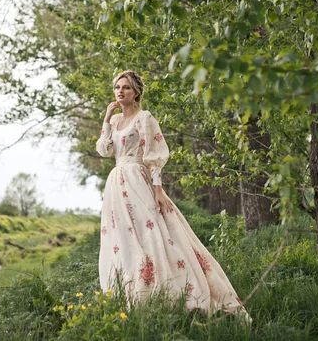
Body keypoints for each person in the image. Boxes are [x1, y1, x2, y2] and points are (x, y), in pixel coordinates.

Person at [96, 70, 250, 322]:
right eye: (117, 87)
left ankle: (170, 292)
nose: (119, 91)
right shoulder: (114, 123)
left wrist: (157, 190)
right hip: (116, 186)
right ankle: (132, 297)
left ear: (136, 93)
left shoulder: (145, 118)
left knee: (152, 236)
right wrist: (106, 118)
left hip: (138, 180)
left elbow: (155, 156)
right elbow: (104, 150)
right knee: (122, 239)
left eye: (125, 87)